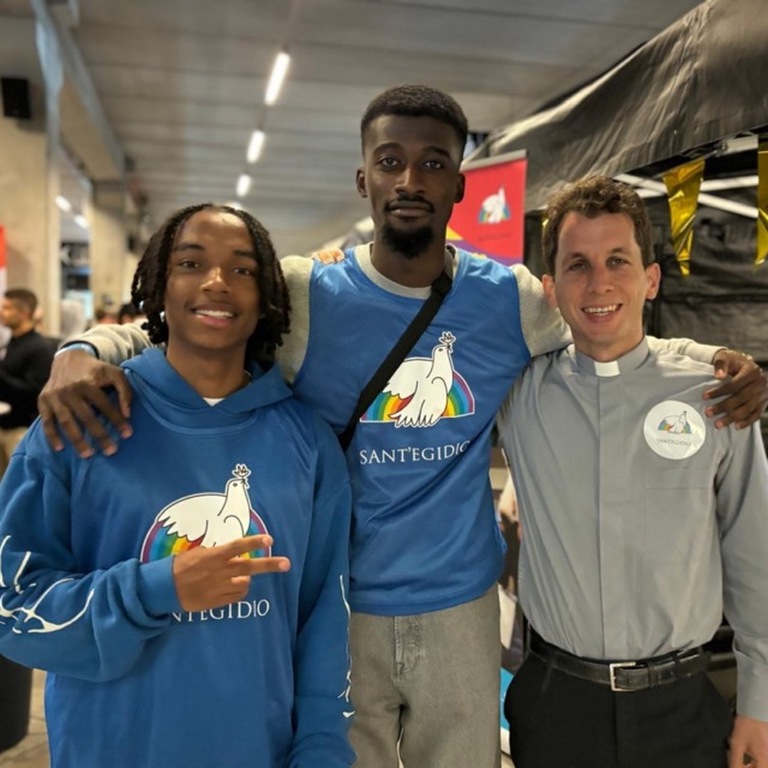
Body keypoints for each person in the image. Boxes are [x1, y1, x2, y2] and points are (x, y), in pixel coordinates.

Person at [36, 86, 767, 768]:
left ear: (459, 186)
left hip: (462, 609)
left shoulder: (510, 301)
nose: (410, 180)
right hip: (339, 609)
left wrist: (718, 361)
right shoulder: (306, 295)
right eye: (390, 162)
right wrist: (83, 349)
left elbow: (610, 326)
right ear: (364, 181)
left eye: (432, 164)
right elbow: (202, 325)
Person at [0, 204, 354, 768]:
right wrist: (155, 589)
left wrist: (321, 748)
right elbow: (11, 608)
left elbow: (324, 623)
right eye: (192, 263)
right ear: (158, 287)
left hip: (258, 750)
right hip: (109, 748)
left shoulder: (307, 441)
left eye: (242, 270)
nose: (217, 282)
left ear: (266, 299)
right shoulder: (80, 420)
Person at [497, 176, 768, 768]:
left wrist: (761, 703)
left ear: (651, 279)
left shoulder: (716, 396)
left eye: (618, 260)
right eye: (577, 265)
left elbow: (755, 556)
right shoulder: (520, 391)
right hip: (557, 704)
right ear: (550, 288)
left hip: (683, 710)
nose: (599, 283)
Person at [0, 288, 56, 476]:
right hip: (6, 425)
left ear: (23, 313)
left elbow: (36, 393)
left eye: (7, 308)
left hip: (23, 431)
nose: (2, 312)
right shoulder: (14, 343)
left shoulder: (39, 348)